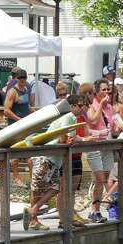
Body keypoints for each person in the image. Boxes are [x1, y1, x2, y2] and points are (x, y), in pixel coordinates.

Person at [24, 93, 87, 230]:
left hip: (51, 159)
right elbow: (65, 137)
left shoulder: (71, 118)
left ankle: (33, 212)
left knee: (50, 188)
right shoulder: (69, 116)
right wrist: (71, 140)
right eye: (80, 106)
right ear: (72, 106)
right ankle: (33, 215)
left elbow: (68, 137)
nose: (82, 108)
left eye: (84, 106)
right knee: (42, 189)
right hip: (47, 158)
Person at [84, 80, 117, 223]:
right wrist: (101, 106)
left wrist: (117, 129)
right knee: (99, 180)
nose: (107, 92)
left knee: (105, 177)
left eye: (108, 89)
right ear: (96, 92)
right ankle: (94, 210)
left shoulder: (110, 107)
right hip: (95, 147)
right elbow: (92, 122)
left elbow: (112, 125)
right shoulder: (92, 106)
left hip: (107, 145)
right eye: (103, 89)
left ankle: (97, 209)